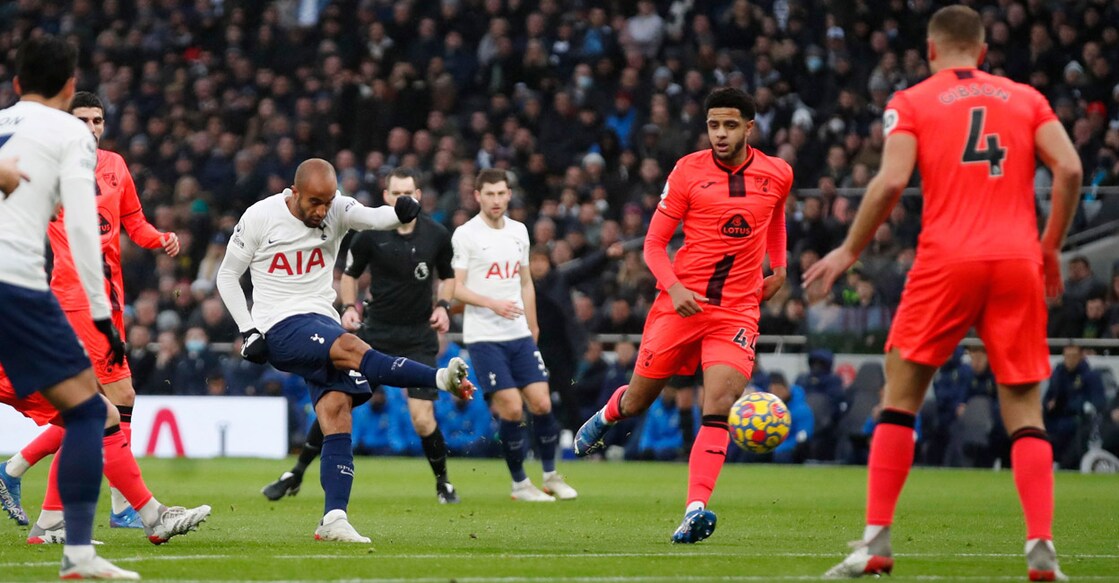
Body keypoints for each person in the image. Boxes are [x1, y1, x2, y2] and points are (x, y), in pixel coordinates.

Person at [803, 6, 1082, 580]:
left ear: (932, 50)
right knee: (1025, 410)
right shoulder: (1027, 98)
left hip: (946, 260)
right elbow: (1072, 170)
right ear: (982, 51)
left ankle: (877, 543)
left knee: (899, 398)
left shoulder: (911, 101)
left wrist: (848, 250)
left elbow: (890, 181)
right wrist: (1049, 245)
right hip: (1016, 260)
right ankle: (1041, 547)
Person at [216, 158, 475, 542]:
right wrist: (248, 330)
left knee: (336, 412)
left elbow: (374, 217)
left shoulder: (337, 207)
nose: (322, 211)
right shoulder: (260, 216)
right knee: (353, 347)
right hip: (280, 326)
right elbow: (227, 275)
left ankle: (334, 518)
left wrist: (400, 211)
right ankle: (438, 376)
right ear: (295, 192)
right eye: (314, 203)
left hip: (321, 318)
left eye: (327, 202)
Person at [574, 87, 792, 543]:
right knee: (639, 402)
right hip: (681, 305)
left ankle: (694, 510)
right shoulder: (688, 171)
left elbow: (776, 217)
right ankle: (608, 415)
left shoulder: (778, 173)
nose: (720, 133)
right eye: (713, 125)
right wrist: (674, 288)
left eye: (730, 125)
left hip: (736, 311)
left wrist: (781, 267)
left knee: (718, 407)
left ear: (749, 127)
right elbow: (653, 245)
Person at [0, 91, 186, 530]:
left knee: (88, 407)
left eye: (97, 120)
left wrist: (160, 239)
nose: (90, 127)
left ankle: (22, 478)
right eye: (81, 119)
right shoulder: (51, 165)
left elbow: (134, 225)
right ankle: (126, 506)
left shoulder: (116, 166)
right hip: (74, 298)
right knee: (113, 400)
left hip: (109, 296)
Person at [0, 35, 137, 579]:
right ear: (66, 85)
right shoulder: (70, 134)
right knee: (89, 412)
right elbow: (83, 228)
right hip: (18, 287)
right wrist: (103, 316)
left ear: (15, 84)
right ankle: (78, 552)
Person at [261, 167, 463, 504]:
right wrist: (350, 307)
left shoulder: (437, 234)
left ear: (418, 194)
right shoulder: (370, 233)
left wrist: (443, 304)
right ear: (386, 197)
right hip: (374, 334)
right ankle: (295, 473)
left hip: (417, 337)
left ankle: (443, 482)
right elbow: (351, 274)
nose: (404, 199)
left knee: (422, 418)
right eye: (396, 194)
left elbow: (449, 275)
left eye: (409, 193)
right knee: (337, 401)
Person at [451, 168, 578, 502]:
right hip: (483, 336)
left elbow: (525, 282)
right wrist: (491, 302)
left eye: (501, 193)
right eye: (489, 194)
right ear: (477, 196)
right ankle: (520, 484)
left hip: (518, 333)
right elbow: (457, 289)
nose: (495, 200)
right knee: (510, 408)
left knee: (540, 400)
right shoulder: (466, 235)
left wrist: (532, 325)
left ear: (509, 195)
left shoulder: (519, 232)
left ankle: (550, 475)